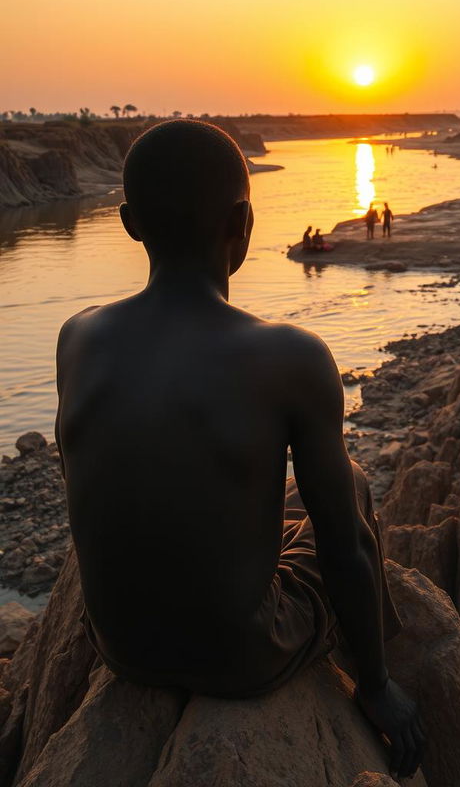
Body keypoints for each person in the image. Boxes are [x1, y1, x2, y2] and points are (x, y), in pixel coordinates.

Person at [54, 120, 424, 780]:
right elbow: (345, 549)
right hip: (239, 656)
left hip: (117, 647)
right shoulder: (291, 356)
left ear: (130, 223)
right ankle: (371, 670)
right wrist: (375, 686)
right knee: (354, 487)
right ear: (242, 223)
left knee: (282, 499)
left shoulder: (77, 337)